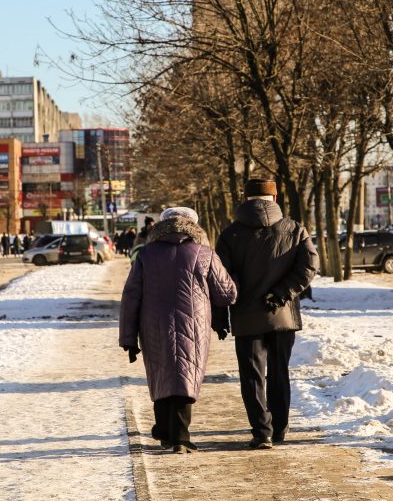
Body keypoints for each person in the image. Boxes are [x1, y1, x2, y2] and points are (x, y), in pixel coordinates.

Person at [120, 207, 237, 454]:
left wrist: (128, 338)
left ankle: (164, 429)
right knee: (187, 372)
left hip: (152, 324)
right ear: (194, 227)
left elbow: (131, 296)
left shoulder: (146, 254)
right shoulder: (204, 253)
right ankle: (181, 437)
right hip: (194, 324)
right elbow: (227, 293)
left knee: (161, 372)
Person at [214, 179, 319, 450]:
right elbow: (309, 266)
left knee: (252, 375)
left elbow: (219, 279)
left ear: (244, 197)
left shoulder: (230, 234)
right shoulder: (294, 229)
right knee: (279, 372)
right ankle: (280, 428)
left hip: (246, 316)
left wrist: (219, 316)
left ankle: (262, 432)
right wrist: (283, 292)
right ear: (274, 196)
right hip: (282, 315)